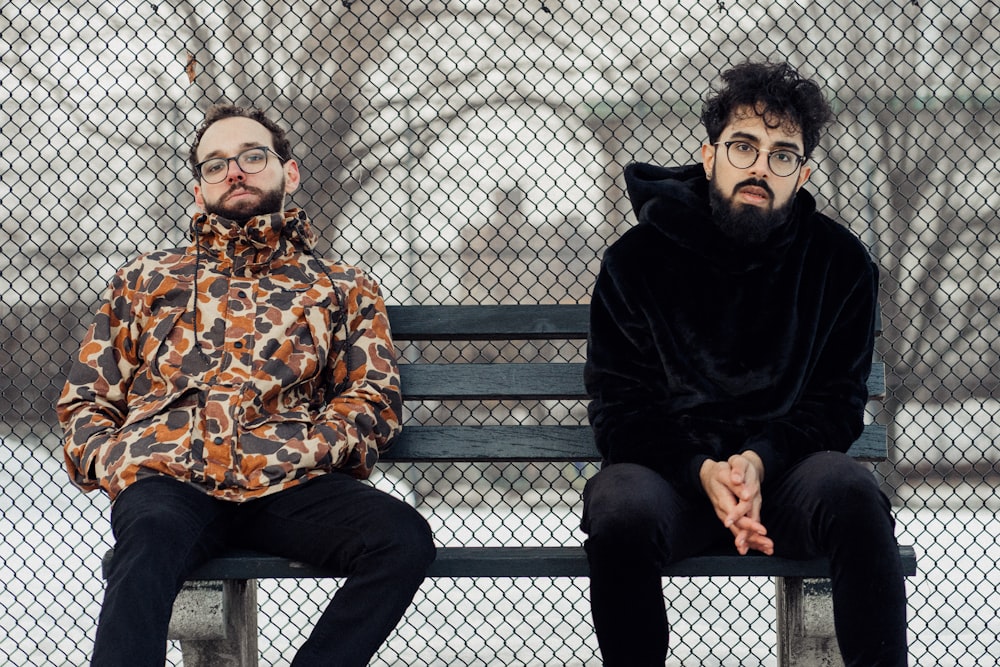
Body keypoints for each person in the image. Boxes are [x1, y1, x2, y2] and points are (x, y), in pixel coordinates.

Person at [57, 104, 436, 667]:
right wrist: (121, 459)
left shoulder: (342, 287)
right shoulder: (145, 280)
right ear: (198, 190)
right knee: (149, 537)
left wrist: (308, 449)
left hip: (288, 483)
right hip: (172, 481)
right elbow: (86, 402)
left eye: (252, 157)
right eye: (215, 165)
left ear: (290, 172)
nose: (234, 172)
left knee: (401, 537)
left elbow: (371, 398)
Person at [580, 61, 907, 666]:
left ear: (802, 173)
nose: (760, 166)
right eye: (744, 146)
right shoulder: (637, 260)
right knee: (618, 503)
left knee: (853, 492)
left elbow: (836, 406)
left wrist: (759, 461)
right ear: (709, 157)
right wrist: (702, 470)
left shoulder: (840, 264)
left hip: (786, 478)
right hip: (673, 482)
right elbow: (621, 409)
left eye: (783, 154)